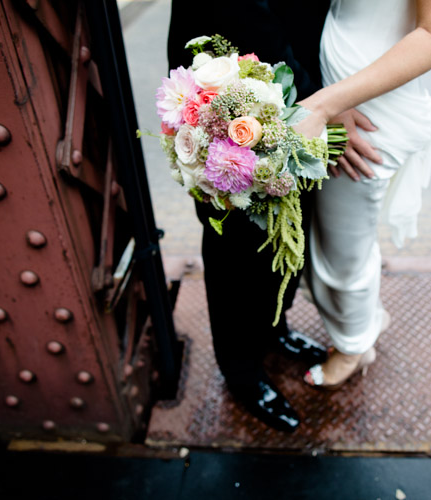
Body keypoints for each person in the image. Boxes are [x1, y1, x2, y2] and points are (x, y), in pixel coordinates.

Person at [166, 0, 331, 432]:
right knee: (235, 246)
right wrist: (324, 102)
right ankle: (240, 370)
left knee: (291, 222)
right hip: (229, 98)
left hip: (304, 91)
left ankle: (273, 328)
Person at [294, 0, 431, 389]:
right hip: (333, 96)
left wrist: (326, 104)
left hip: (368, 109)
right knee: (331, 236)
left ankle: (355, 347)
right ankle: (366, 319)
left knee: (342, 248)